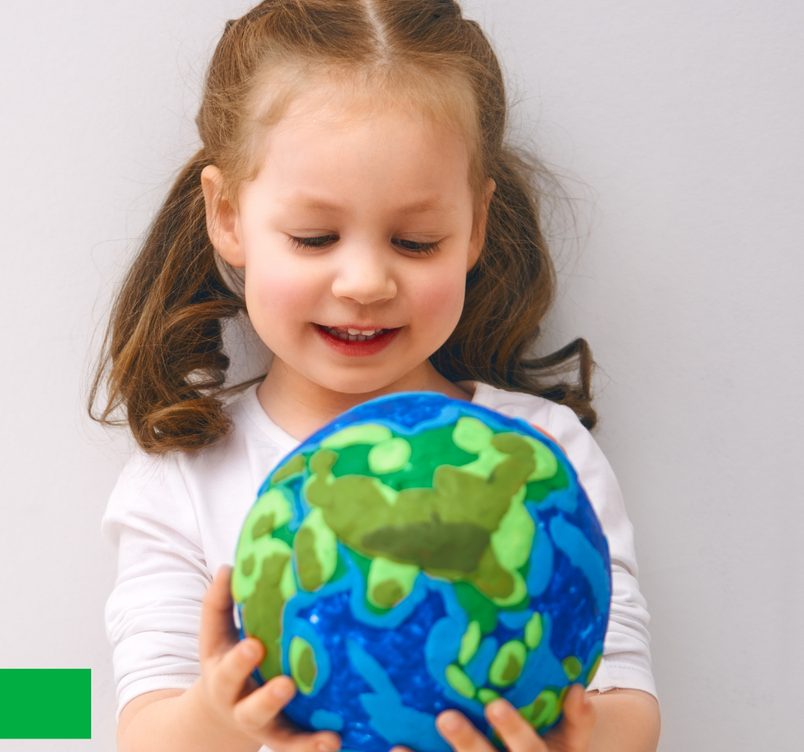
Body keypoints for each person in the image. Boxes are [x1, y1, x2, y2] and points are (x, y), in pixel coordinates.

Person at [89, 2, 661, 750]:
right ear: (226, 214)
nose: (364, 281)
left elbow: (627, 702)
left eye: (416, 242)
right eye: (314, 237)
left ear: (475, 227)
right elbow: (146, 730)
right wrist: (219, 718)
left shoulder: (542, 452)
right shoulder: (184, 480)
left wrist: (570, 744)